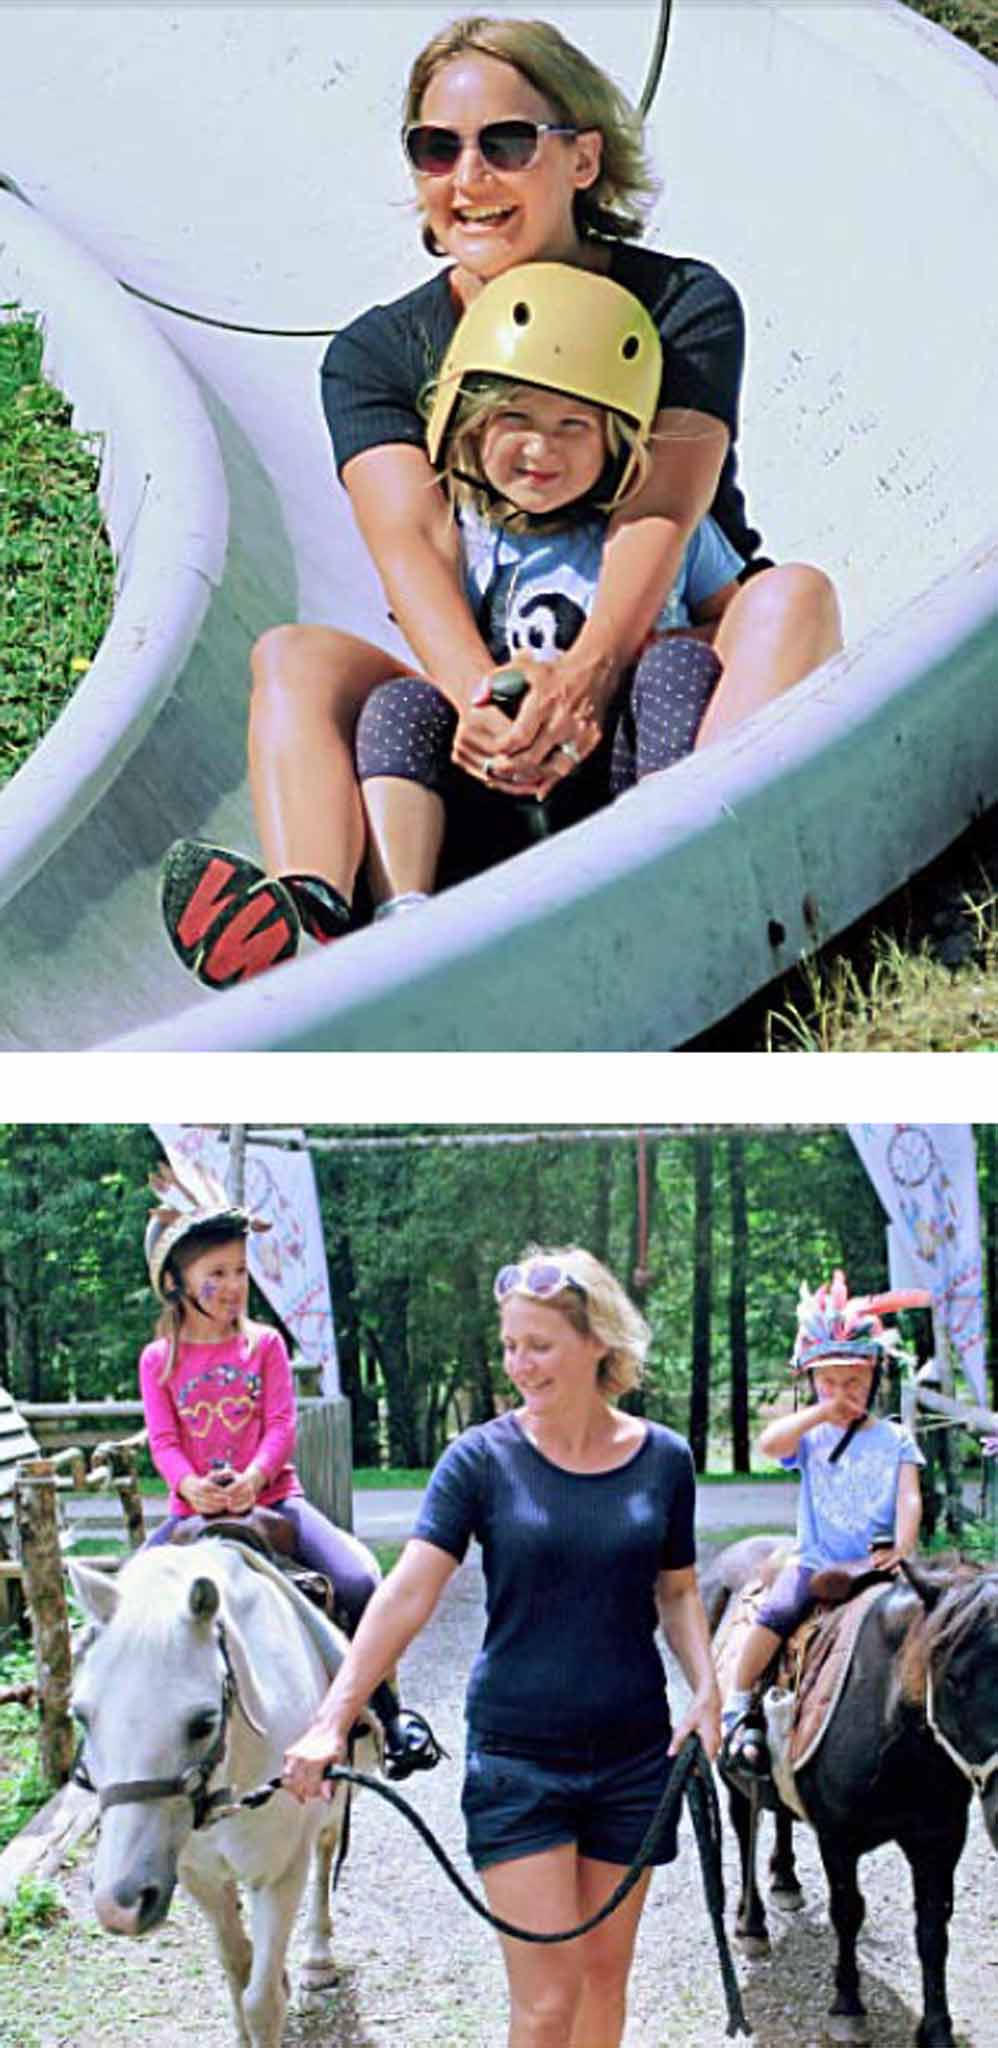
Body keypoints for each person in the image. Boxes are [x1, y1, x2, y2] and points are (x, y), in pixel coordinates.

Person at [160, 12, 842, 990]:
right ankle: (315, 928)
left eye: (505, 143)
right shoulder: (376, 354)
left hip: (662, 690)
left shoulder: (680, 304)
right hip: (491, 715)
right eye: (436, 149)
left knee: (793, 595)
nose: (468, 178)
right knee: (293, 657)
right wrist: (487, 704)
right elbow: (412, 550)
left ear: (580, 158)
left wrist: (591, 674)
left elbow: (660, 509)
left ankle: (697, 872)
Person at [282, 1247, 721, 2048]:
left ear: (598, 1341)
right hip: (519, 1760)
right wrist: (333, 1715)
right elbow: (408, 1592)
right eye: (511, 1345)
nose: (520, 1364)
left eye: (540, 1345)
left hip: (633, 1758)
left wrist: (707, 1689)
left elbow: (680, 1589)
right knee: (547, 2002)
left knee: (602, 1983)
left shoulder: (664, 1460)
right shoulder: (479, 1460)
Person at [354, 261, 744, 915]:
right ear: (472, 427)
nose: (542, 448)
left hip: (615, 763)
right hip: (493, 783)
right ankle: (402, 910)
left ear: (614, 443)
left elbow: (738, 625)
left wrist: (646, 648)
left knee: (679, 661)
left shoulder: (654, 533)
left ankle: (670, 848)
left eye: (574, 426)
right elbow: (431, 635)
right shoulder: (461, 538)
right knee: (397, 705)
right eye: (516, 419)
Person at [139, 1157, 440, 1780]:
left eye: (240, 1272)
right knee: (128, 1599)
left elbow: (280, 1426)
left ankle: (389, 1712)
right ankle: (129, 1737)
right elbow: (164, 1439)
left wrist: (252, 1477)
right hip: (192, 1510)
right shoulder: (158, 1359)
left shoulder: (265, 1344)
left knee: (358, 1579)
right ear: (176, 1282)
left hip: (275, 1502)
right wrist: (188, 1484)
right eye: (215, 1273)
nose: (232, 1285)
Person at [720, 1270, 925, 1768]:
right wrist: (820, 1413)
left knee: (927, 1625)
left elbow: (910, 1498)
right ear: (811, 1382)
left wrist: (903, 1546)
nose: (841, 1392)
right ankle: (737, 1702)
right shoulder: (809, 1436)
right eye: (828, 1382)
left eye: (853, 1381)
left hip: (875, 1564)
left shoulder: (894, 1439)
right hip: (816, 1562)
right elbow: (771, 1444)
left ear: (874, 1379)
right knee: (776, 1613)